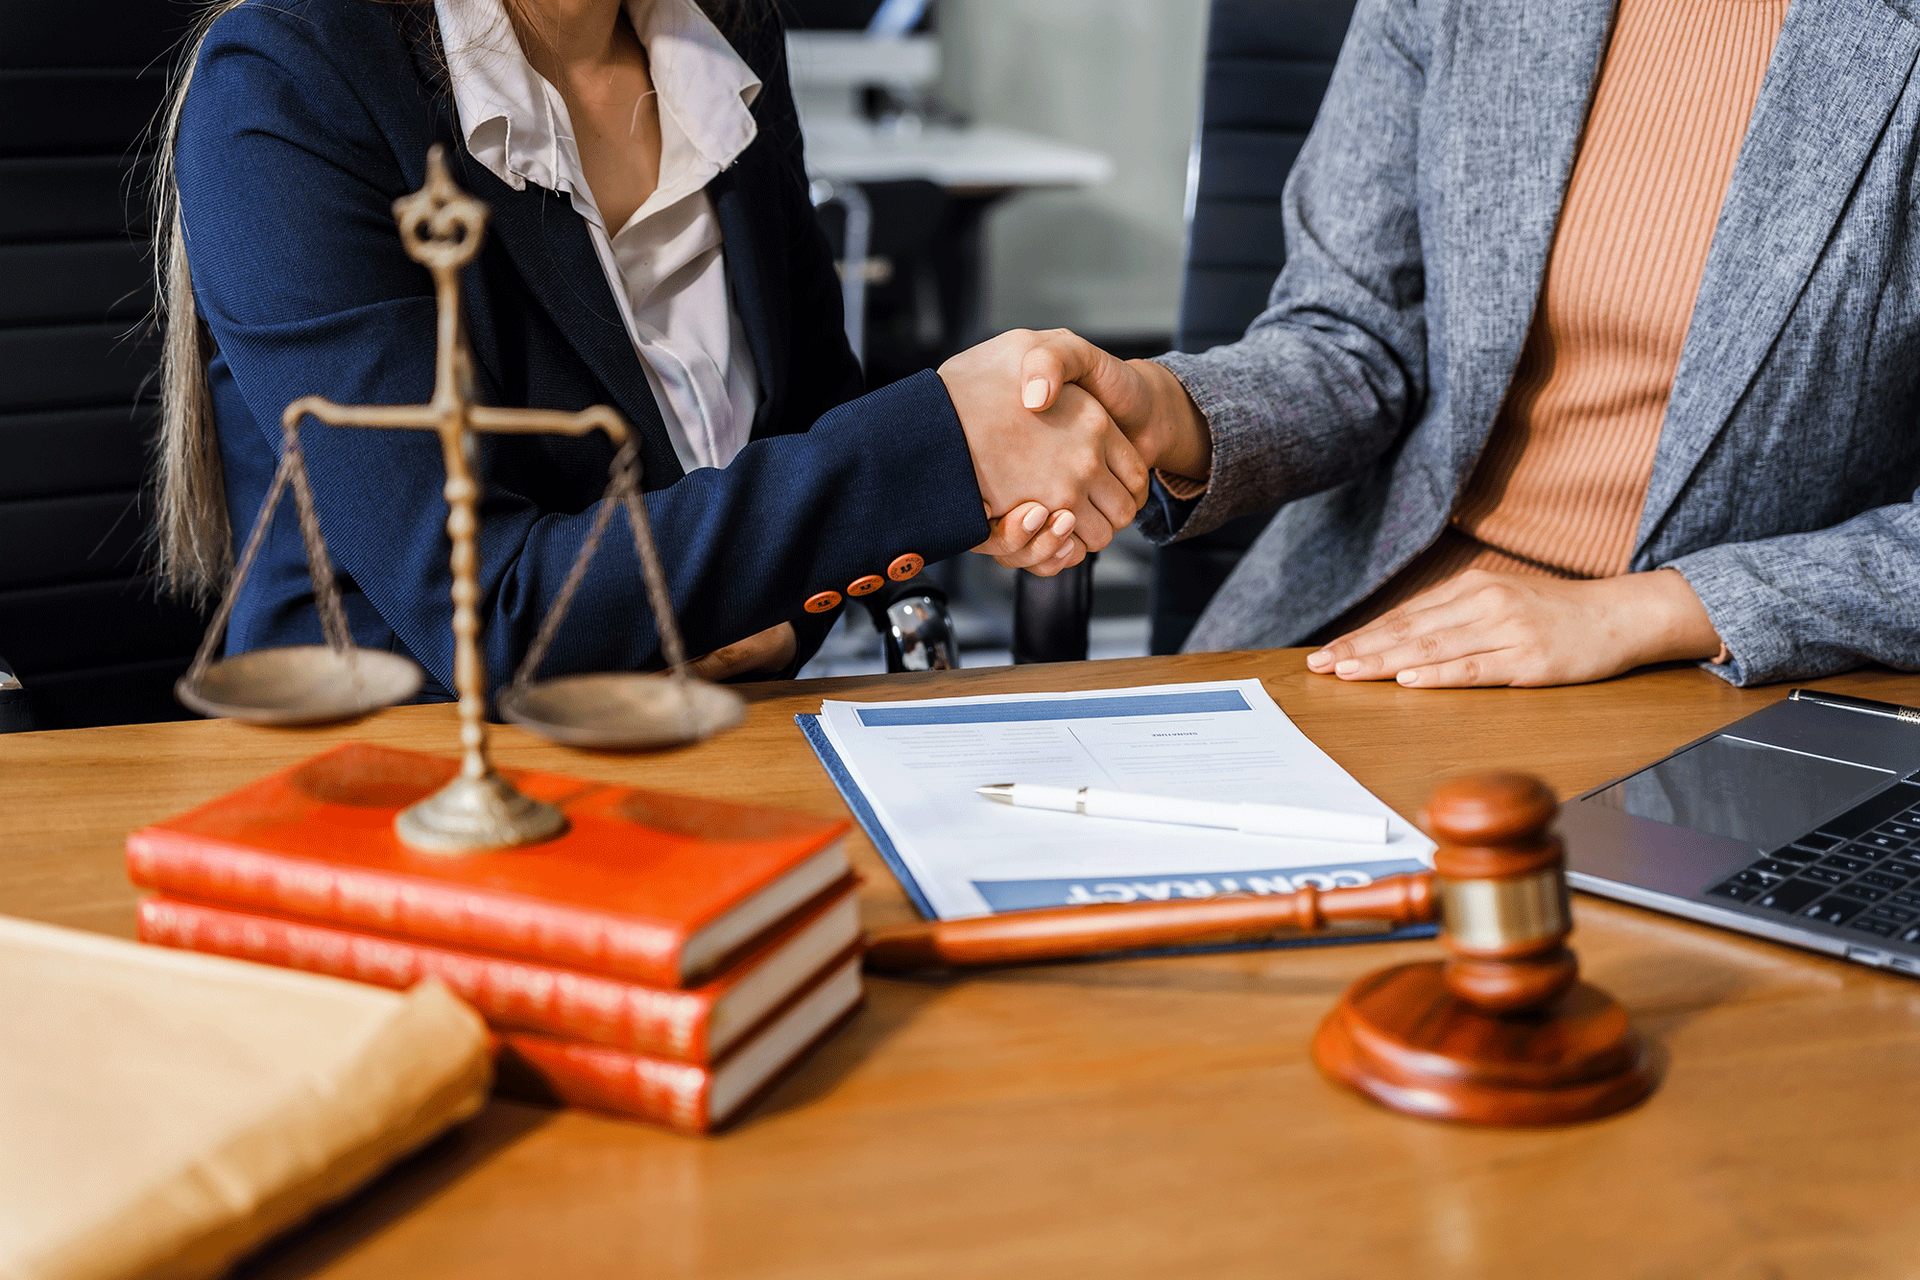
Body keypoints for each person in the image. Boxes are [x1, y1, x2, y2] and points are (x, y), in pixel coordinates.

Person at [153, 0, 1126, 697]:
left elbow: (811, 419)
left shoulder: (725, 35)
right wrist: (944, 447)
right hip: (398, 778)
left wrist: (796, 596)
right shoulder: (288, 87)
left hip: (702, 741)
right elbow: (492, 614)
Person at [1019, 0, 1920, 690]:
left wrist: (1656, 612)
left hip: (1694, 679)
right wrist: (1167, 412)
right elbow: (1353, 337)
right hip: (1356, 627)